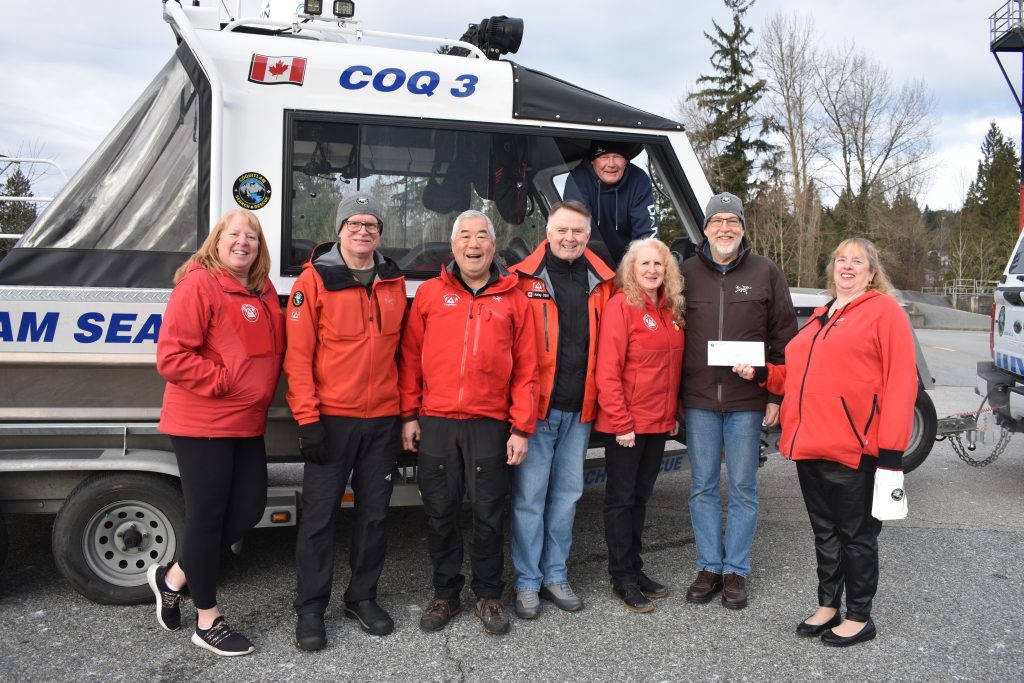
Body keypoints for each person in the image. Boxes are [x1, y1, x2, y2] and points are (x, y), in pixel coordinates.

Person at [733, 237, 916, 647]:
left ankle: (860, 615)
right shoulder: (822, 315)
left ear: (872, 272)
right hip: (809, 446)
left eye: (857, 261)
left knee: (857, 536)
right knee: (825, 533)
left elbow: (901, 383)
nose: (847, 266)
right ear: (832, 269)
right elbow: (798, 376)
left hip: (853, 449)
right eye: (841, 260)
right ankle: (828, 604)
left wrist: (891, 454)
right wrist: (763, 374)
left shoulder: (884, 312)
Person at [149, 209, 284, 656]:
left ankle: (173, 577)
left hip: (247, 422)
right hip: (203, 421)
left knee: (247, 510)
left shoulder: (263, 290)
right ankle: (207, 620)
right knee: (206, 518)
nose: (243, 242)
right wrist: (225, 382)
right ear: (217, 240)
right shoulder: (199, 284)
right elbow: (172, 357)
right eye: (235, 234)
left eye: (252, 237)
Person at [399, 210, 539, 636]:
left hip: (489, 423)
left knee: (489, 514)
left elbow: (527, 369)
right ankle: (445, 593)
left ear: (494, 246)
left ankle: (489, 594)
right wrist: (409, 415)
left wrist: (521, 428)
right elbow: (410, 358)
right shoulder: (429, 293)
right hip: (437, 421)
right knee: (439, 512)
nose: (473, 244)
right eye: (465, 236)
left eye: (482, 236)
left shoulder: (514, 298)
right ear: (453, 244)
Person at [284, 193, 406, 651]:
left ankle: (362, 597)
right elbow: (297, 358)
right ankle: (311, 608)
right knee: (319, 519)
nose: (362, 231)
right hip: (332, 420)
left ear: (380, 232)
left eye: (371, 224)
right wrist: (308, 420)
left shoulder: (393, 280)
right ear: (339, 230)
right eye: (354, 223)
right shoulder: (314, 280)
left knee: (375, 516)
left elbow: (403, 354)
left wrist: (405, 414)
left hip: (383, 420)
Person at [681, 191, 797, 610]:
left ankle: (736, 570)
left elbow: (784, 338)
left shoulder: (766, 272)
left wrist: (776, 393)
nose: (725, 228)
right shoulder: (685, 273)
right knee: (702, 486)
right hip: (698, 400)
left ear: (743, 228)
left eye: (733, 221)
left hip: (747, 401)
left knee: (744, 488)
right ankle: (709, 566)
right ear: (706, 229)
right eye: (717, 221)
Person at [508, 200, 616, 619]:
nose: (570, 238)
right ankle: (527, 581)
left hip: (580, 411)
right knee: (529, 500)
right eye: (562, 230)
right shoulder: (521, 280)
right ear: (548, 232)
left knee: (567, 498)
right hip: (536, 411)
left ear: (588, 235)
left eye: (578, 231)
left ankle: (555, 575)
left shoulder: (603, 283)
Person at [595, 237, 685, 613]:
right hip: (627, 425)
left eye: (658, 264)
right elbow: (607, 370)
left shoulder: (670, 310)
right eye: (644, 263)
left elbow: (672, 370)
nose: (651, 270)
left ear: (667, 271)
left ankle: (635, 567)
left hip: (657, 423)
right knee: (621, 500)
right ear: (631, 269)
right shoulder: (622, 306)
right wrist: (621, 422)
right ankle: (621, 577)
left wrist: (672, 414)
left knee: (640, 498)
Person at [563, 141, 658, 264]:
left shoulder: (639, 180)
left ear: (626, 161)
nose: (611, 164)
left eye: (617, 157)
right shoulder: (578, 179)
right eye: (604, 157)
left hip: (629, 260)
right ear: (593, 161)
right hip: (590, 258)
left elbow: (647, 235)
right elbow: (576, 230)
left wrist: (643, 265)